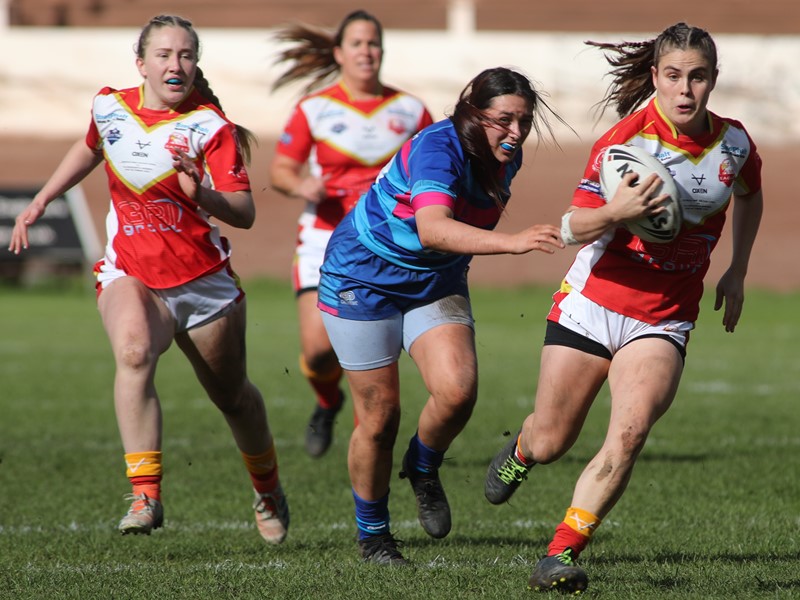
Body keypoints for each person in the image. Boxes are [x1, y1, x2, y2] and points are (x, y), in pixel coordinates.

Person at [483, 22, 763, 593]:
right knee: (552, 439)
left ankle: (559, 552)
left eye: (699, 77)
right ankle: (522, 448)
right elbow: (573, 227)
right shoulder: (625, 144)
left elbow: (750, 194)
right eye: (674, 76)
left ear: (714, 80)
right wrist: (618, 209)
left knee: (630, 432)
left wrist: (738, 268)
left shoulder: (735, 144)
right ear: (656, 77)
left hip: (664, 316)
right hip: (593, 303)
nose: (686, 91)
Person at [8, 15, 290, 544]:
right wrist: (43, 198)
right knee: (134, 352)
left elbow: (245, 213)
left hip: (202, 285)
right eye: (163, 55)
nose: (174, 64)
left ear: (195, 65)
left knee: (234, 399)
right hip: (130, 271)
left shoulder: (211, 128)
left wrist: (199, 191)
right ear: (141, 63)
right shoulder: (109, 105)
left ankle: (268, 486)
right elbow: (90, 146)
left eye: (185, 55)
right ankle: (145, 496)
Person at [317, 66, 567, 565]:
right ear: (472, 114)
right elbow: (432, 228)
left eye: (524, 121)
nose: (515, 134)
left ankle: (423, 466)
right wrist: (513, 244)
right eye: (503, 121)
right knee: (380, 415)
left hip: (435, 280)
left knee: (457, 393)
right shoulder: (438, 149)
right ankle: (374, 536)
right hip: (361, 280)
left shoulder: (501, 156)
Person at [269, 10, 433, 458]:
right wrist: (300, 183)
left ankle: (370, 452)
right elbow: (281, 168)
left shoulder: (412, 111)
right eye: (357, 43)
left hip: (388, 244)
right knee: (319, 352)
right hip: (325, 239)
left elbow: (434, 166)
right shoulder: (313, 108)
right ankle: (328, 401)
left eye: (374, 43)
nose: (367, 51)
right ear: (339, 52)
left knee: (373, 357)